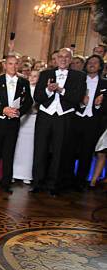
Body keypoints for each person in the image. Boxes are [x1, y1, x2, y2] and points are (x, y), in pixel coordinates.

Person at [31, 48, 86, 196]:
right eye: (60, 56)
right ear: (56, 58)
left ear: (71, 60)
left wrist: (61, 90)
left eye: (66, 57)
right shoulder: (45, 74)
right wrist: (49, 90)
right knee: (40, 149)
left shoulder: (79, 76)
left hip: (64, 117)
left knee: (59, 152)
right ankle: (37, 182)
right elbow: (38, 97)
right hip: (45, 116)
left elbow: (77, 98)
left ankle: (54, 184)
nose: (63, 59)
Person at [0, 55, 32, 193]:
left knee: (8, 153)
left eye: (16, 64)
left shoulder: (24, 82)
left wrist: (19, 112)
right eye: (11, 64)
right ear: (5, 65)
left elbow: (29, 102)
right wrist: (3, 109)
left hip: (13, 123)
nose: (13, 66)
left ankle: (6, 183)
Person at [72, 55, 106, 189]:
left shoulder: (105, 83)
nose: (92, 64)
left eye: (95, 62)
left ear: (100, 66)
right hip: (76, 119)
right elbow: (69, 99)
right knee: (71, 151)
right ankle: (67, 178)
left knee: (87, 153)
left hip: (93, 121)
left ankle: (80, 181)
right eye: (90, 62)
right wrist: (80, 102)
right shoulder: (78, 80)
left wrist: (98, 105)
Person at [13, 69, 40, 184]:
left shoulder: (40, 91)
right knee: (18, 146)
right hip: (22, 119)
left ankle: (27, 174)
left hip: (33, 120)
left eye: (35, 76)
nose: (33, 78)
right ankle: (14, 173)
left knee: (29, 147)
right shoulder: (23, 88)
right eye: (31, 76)